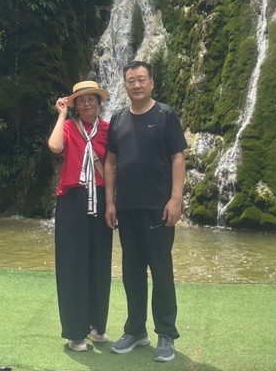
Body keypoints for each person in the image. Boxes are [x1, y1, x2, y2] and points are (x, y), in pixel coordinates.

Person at [104, 61, 187, 363]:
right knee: (131, 273)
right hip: (127, 209)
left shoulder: (165, 115)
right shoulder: (118, 119)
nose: (136, 85)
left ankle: (166, 333)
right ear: (124, 85)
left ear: (152, 83)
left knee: (161, 272)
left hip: (158, 209)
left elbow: (178, 157)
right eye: (130, 80)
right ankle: (135, 330)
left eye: (141, 79)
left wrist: (175, 198)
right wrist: (110, 202)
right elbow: (110, 161)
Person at [48, 79, 113, 352]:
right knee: (72, 264)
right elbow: (54, 146)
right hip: (72, 199)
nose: (87, 104)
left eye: (91, 99)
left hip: (100, 198)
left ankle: (97, 326)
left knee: (99, 263)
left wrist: (112, 203)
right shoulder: (68, 127)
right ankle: (75, 332)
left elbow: (112, 166)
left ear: (99, 102)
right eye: (81, 100)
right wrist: (62, 113)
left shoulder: (108, 130)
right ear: (75, 105)